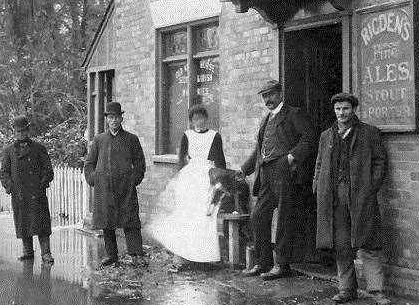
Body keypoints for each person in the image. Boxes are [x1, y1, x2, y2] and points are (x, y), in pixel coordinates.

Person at [313, 93, 391, 305]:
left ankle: (377, 291)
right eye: (338, 109)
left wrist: (370, 188)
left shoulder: (368, 133)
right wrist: (318, 186)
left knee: (368, 243)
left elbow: (379, 163)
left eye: (345, 109)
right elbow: (319, 165)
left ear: (354, 109)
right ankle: (346, 288)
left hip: (360, 196)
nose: (341, 113)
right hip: (333, 196)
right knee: (341, 244)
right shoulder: (326, 136)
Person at [240, 79, 315, 280]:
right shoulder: (266, 120)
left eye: (271, 94)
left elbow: (309, 139)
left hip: (285, 172)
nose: (268, 99)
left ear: (280, 94)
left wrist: (291, 157)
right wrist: (244, 169)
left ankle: (282, 264)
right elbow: (259, 149)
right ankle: (263, 262)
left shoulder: (293, 114)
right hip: (266, 173)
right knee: (258, 216)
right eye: (264, 96)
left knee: (283, 218)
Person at [148, 104, 226, 264]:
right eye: (195, 119)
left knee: (204, 215)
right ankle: (185, 253)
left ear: (206, 118)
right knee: (187, 214)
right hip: (190, 178)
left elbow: (220, 161)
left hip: (207, 177)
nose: (199, 122)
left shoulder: (214, 136)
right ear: (191, 121)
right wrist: (179, 180)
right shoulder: (187, 135)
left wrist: (220, 180)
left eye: (201, 118)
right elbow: (181, 159)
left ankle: (204, 255)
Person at [84, 101, 146, 267]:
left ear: (121, 118)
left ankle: (136, 254)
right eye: (111, 117)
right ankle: (112, 255)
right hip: (105, 188)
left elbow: (140, 162)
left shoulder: (131, 140)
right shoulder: (99, 140)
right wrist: (94, 179)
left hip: (125, 188)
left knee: (131, 221)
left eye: (117, 117)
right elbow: (89, 163)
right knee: (107, 222)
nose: (114, 120)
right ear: (107, 119)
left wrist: (134, 179)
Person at [0, 115, 54, 263]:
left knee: (42, 224)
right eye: (18, 131)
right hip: (20, 194)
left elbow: (48, 170)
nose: (21, 134)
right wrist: (11, 187)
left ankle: (46, 253)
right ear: (14, 132)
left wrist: (41, 184)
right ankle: (27, 251)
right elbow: (4, 172)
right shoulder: (9, 151)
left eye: (24, 130)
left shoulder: (39, 148)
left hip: (37, 193)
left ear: (28, 130)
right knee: (23, 222)